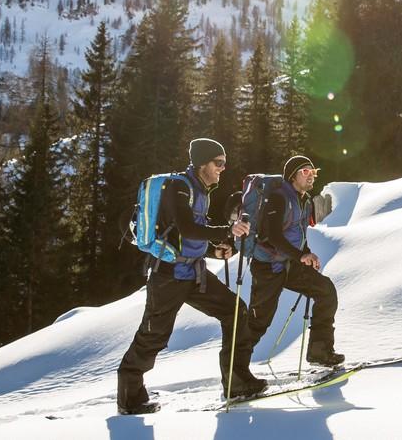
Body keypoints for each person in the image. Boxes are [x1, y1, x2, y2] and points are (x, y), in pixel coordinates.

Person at [116, 138, 267, 415]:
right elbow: (185, 227)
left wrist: (213, 251)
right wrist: (227, 230)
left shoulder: (201, 190)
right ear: (202, 163)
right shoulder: (178, 187)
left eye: (224, 163)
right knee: (154, 336)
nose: (222, 169)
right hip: (168, 276)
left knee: (235, 312)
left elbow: (191, 233)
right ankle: (129, 397)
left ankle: (237, 381)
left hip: (194, 273)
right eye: (218, 163)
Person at [239, 155, 345, 367]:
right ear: (292, 175)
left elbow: (297, 235)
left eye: (313, 172)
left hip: (291, 265)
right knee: (258, 322)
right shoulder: (279, 197)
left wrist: (307, 254)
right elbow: (273, 236)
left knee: (326, 292)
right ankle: (236, 371)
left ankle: (320, 352)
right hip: (268, 267)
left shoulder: (303, 200)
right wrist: (300, 255)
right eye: (305, 171)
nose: (311, 176)